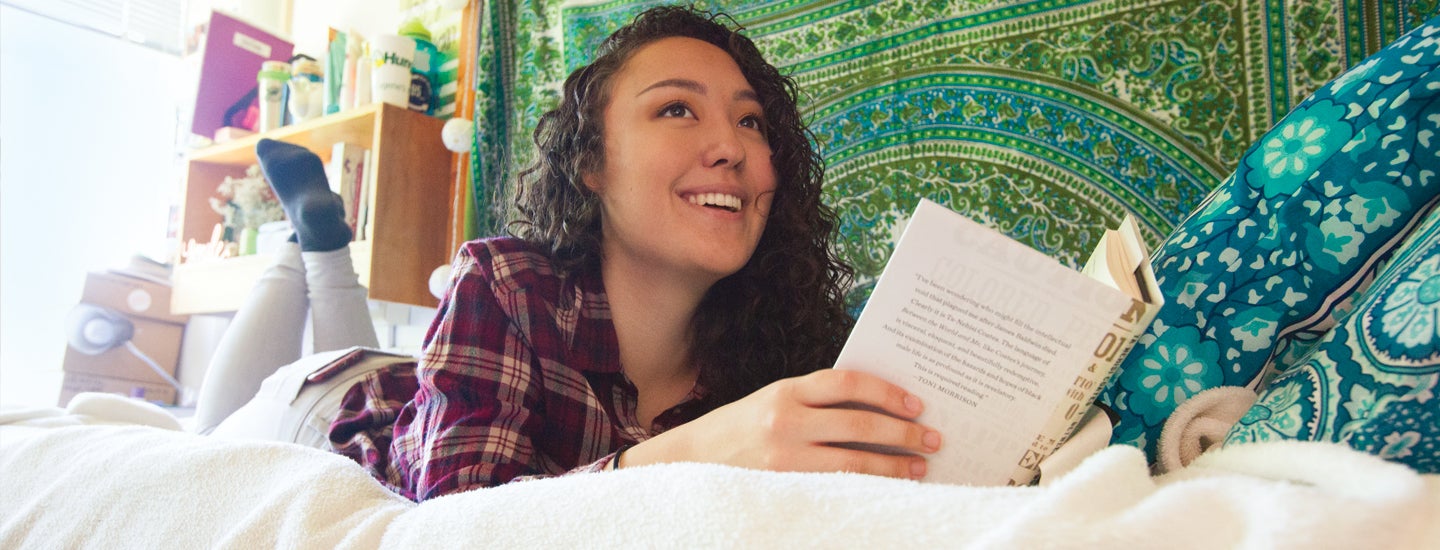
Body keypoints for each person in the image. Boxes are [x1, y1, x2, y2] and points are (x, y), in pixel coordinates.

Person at [194, 5, 940, 502]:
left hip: (435, 383)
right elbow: (453, 527)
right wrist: (703, 448)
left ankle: (314, 237)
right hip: (340, 408)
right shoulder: (505, 282)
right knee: (206, 439)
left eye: (752, 124)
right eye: (677, 109)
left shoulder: (788, 347)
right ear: (592, 164)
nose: (732, 148)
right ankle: (311, 243)